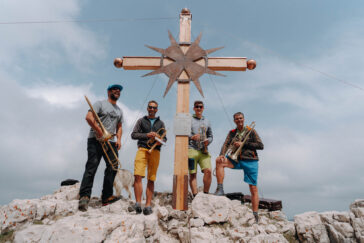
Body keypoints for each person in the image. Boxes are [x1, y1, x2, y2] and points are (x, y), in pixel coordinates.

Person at [78, 84, 124, 212]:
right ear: (109, 91)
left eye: (119, 90)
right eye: (115, 89)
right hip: (95, 139)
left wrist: (119, 139)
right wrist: (99, 130)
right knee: (92, 166)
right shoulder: (100, 104)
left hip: (110, 141)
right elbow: (89, 117)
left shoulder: (119, 110)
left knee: (113, 166)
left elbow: (119, 126)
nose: (117, 91)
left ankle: (106, 196)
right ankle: (84, 196)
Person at [214, 112, 263, 223]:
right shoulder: (232, 133)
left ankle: (255, 214)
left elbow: (261, 145)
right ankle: (220, 189)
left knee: (253, 188)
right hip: (236, 159)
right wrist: (222, 153)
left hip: (250, 160)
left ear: (244, 119)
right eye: (237, 119)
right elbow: (226, 144)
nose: (239, 120)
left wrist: (243, 144)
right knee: (219, 161)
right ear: (234, 121)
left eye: (240, 118)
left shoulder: (251, 131)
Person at [131, 100, 167, 215]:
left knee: (151, 178)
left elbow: (164, 139)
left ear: (157, 110)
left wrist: (159, 140)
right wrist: (147, 135)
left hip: (155, 151)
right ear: (147, 108)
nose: (152, 109)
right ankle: (137, 203)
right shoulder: (141, 121)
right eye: (150, 107)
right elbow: (134, 135)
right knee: (137, 175)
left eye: (154, 108)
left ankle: (147, 205)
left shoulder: (161, 123)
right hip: (142, 149)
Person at [188, 101, 213, 196]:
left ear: (203, 108)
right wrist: (192, 137)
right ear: (194, 108)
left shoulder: (207, 121)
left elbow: (211, 136)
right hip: (191, 149)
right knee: (193, 174)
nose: (199, 108)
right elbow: (185, 132)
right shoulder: (189, 119)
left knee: (208, 171)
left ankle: (205, 194)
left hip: (204, 150)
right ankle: (195, 196)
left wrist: (208, 141)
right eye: (197, 107)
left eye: (200, 107)